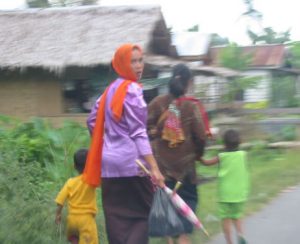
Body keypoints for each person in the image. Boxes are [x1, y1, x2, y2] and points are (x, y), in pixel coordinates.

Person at [84, 43, 165, 244]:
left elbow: (92, 121)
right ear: (121, 64)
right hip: (133, 166)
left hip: (110, 167)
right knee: (142, 216)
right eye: (133, 61)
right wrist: (154, 168)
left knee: (116, 221)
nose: (138, 66)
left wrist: (109, 145)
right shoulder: (133, 90)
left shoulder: (109, 91)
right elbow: (138, 132)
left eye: (140, 60)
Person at [147, 63, 207, 244]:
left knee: (168, 218)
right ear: (188, 82)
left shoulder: (156, 104)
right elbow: (201, 137)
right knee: (183, 225)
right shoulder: (191, 106)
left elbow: (142, 131)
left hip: (162, 172)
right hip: (186, 173)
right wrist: (197, 154)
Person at [200, 129, 249, 244]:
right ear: (239, 142)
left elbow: (207, 163)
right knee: (237, 216)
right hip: (240, 193)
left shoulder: (221, 156)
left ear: (224, 143)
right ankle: (241, 234)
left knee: (225, 218)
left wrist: (199, 158)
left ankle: (229, 241)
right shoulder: (243, 155)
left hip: (225, 194)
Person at [55, 148, 98, 244]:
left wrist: (58, 215)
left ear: (74, 166)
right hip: (86, 221)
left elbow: (60, 201)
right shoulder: (91, 181)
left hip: (72, 221)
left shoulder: (70, 182)